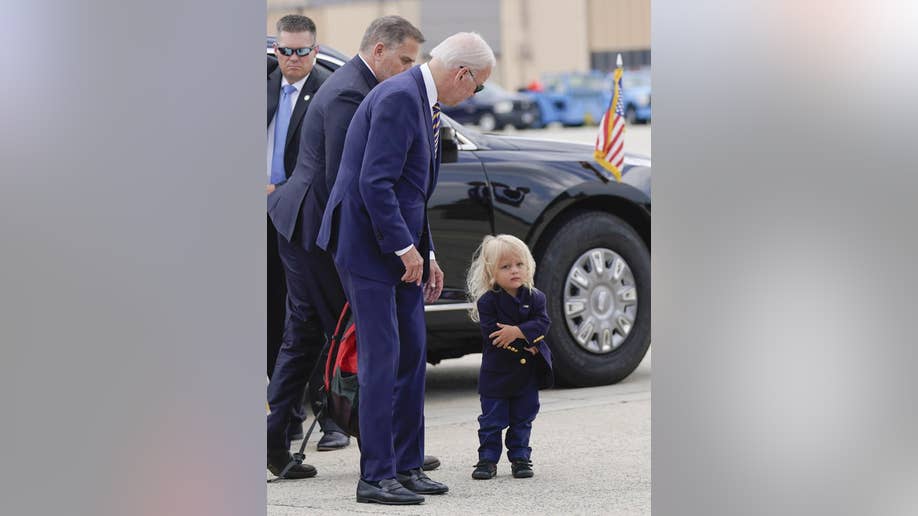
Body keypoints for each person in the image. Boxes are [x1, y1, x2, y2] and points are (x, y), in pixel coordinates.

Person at [317, 32, 495, 505]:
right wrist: (403, 248)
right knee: (382, 359)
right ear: (463, 74)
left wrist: (428, 252)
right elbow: (375, 184)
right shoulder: (399, 98)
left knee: (412, 353)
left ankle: (407, 465)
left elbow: (410, 191)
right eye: (477, 88)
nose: (474, 97)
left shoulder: (423, 100)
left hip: (395, 245)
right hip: (366, 246)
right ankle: (375, 476)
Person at [268, 16, 439, 461]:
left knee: (304, 333)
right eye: (404, 60)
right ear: (379, 50)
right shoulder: (352, 93)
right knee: (353, 336)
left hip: (305, 224)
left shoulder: (358, 84)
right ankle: (388, 448)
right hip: (314, 228)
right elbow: (346, 180)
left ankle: (273, 442)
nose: (408, 70)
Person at [265, 14, 330, 479]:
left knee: (311, 321)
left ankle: (335, 422)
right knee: (278, 321)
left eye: (301, 51)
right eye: (284, 51)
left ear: (315, 49)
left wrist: (282, 195)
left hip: (301, 221)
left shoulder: (328, 91)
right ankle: (281, 426)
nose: (292, 59)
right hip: (262, 219)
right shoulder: (261, 88)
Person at [465, 234, 553, 480]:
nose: (514, 271)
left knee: (523, 418)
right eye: (506, 267)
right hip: (498, 373)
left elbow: (542, 323)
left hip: (527, 375)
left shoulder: (536, 298)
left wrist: (518, 331)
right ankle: (487, 460)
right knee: (491, 420)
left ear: (528, 266)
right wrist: (526, 341)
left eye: (519, 265)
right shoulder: (488, 302)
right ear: (492, 272)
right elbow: (493, 334)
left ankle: (521, 458)